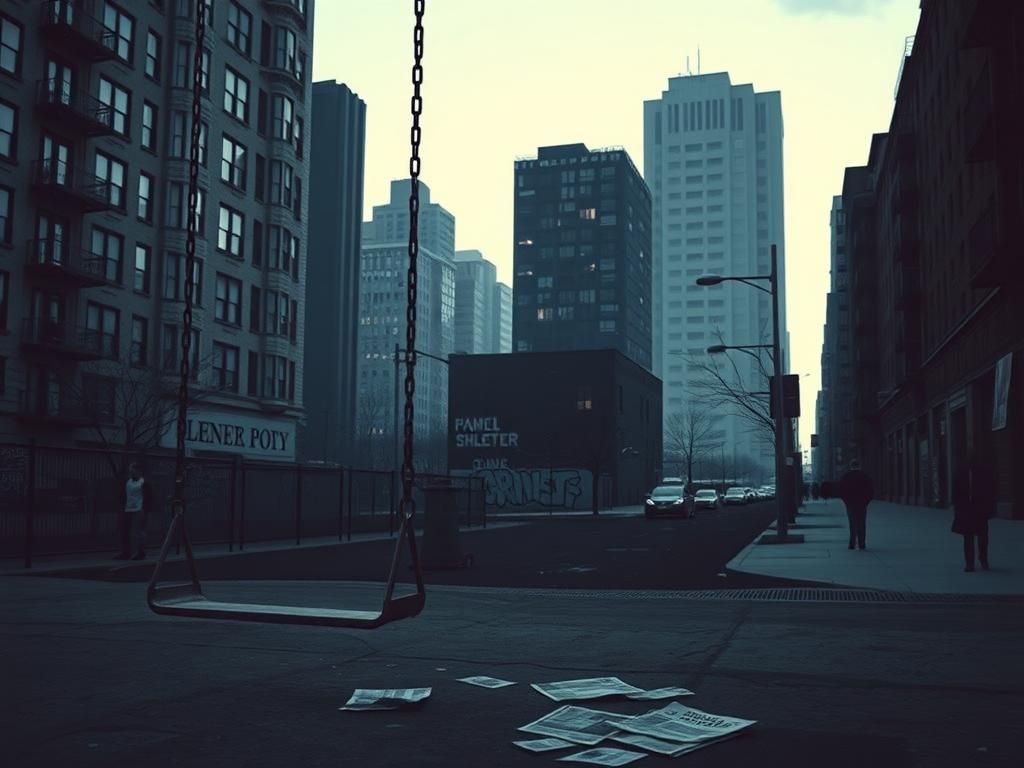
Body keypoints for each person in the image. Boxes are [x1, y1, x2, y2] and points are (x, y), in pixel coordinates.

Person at [951, 450, 995, 572]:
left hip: (980, 509)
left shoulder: (984, 471)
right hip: (966, 509)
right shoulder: (961, 472)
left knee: (982, 537)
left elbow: (990, 490)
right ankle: (969, 563)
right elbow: (955, 490)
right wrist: (957, 507)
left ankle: (983, 559)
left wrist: (990, 508)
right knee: (968, 537)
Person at [116, 462, 152, 561]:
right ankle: (126, 552)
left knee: (138, 531)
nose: (131, 471)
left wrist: (145, 509)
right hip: (127, 509)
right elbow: (122, 495)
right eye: (130, 470)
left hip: (139, 509)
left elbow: (149, 497)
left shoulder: (144, 482)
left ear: (139, 471)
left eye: (133, 469)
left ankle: (140, 552)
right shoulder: (127, 482)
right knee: (125, 531)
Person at [839, 460, 874, 550]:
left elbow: (841, 491)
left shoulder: (846, 477)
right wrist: (866, 502)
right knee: (862, 523)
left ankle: (852, 544)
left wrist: (846, 502)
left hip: (851, 504)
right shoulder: (865, 476)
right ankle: (862, 544)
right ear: (859, 466)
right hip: (862, 503)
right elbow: (871, 491)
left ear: (851, 466)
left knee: (852, 523)